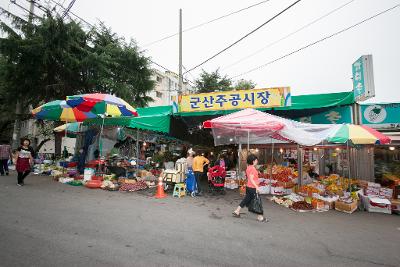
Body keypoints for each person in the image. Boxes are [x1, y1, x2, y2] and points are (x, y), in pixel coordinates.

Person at [233, 154, 268, 222]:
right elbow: (252, 179)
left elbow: (250, 178)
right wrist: (256, 187)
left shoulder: (248, 167)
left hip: (248, 187)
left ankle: (237, 211)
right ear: (253, 161)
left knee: (246, 200)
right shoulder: (252, 168)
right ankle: (260, 217)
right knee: (258, 202)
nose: (257, 161)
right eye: (256, 160)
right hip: (252, 188)